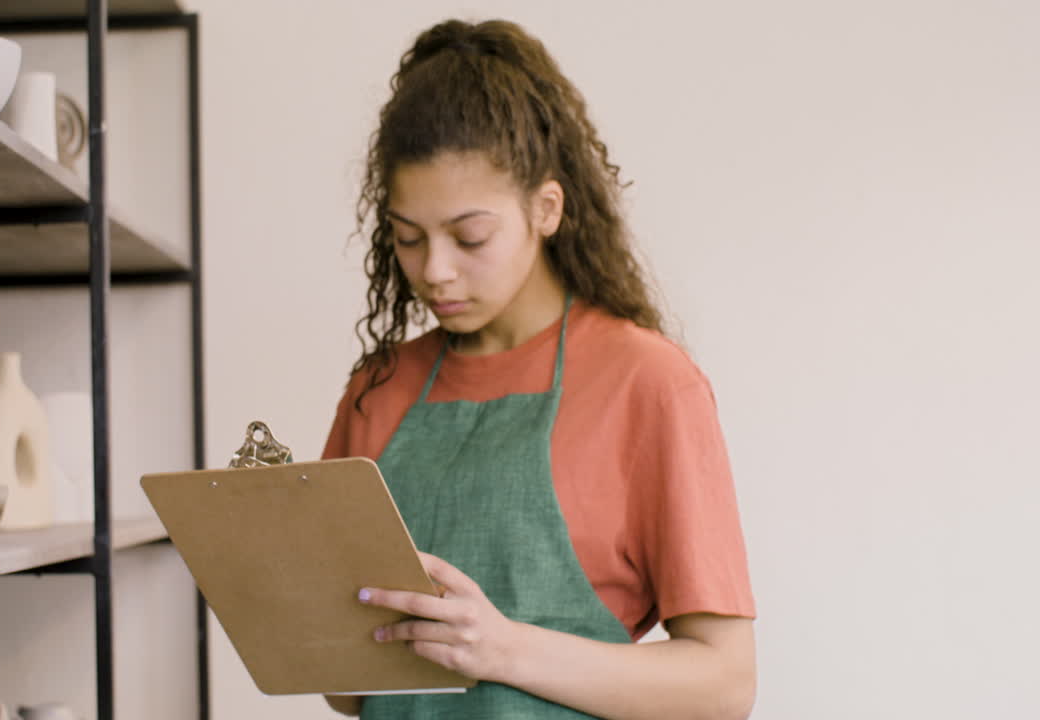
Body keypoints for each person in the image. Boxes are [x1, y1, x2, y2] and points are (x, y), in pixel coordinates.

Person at [320, 18, 756, 720]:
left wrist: (501, 651)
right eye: (408, 238)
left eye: (470, 236)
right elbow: (344, 690)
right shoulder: (378, 389)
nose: (435, 270)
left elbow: (724, 685)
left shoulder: (647, 383)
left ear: (545, 209)